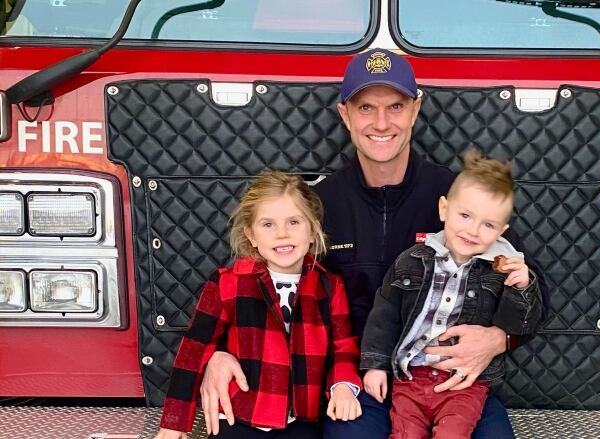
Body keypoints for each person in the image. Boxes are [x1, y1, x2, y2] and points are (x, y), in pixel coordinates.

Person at [200, 49, 536, 439]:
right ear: (345, 114)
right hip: (355, 380)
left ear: (415, 109)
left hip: (451, 380)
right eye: (365, 108)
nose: (381, 122)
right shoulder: (320, 204)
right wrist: (219, 352)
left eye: (395, 106)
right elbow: (256, 281)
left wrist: (499, 339)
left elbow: (527, 282)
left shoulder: (457, 198)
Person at [154, 171, 362, 439]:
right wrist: (173, 423)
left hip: (300, 419)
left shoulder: (329, 286)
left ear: (313, 230)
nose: (282, 234)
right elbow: (193, 351)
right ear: (251, 235)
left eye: (294, 222)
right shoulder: (228, 283)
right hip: (239, 416)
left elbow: (343, 347)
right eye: (268, 225)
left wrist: (342, 385)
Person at [360, 150, 542, 439]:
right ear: (444, 209)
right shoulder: (413, 260)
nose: (473, 230)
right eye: (465, 215)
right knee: (404, 434)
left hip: (464, 384)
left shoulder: (502, 270)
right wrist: (375, 365)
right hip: (409, 378)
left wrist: (520, 290)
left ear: (502, 231)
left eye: (488, 225)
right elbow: (385, 316)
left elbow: (514, 325)